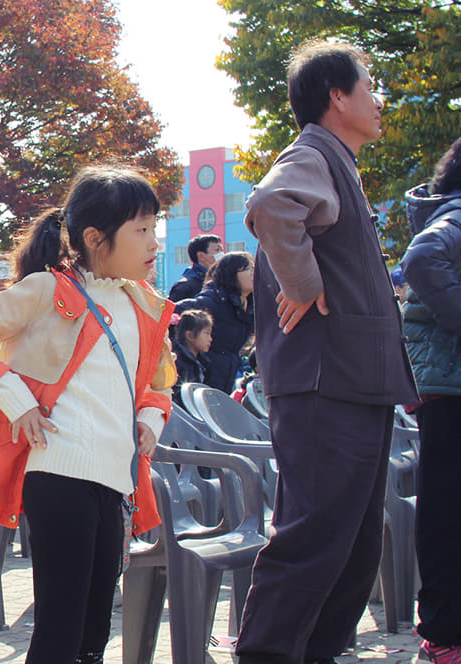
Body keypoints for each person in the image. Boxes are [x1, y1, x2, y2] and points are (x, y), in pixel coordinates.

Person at [0, 166, 173, 664]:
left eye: (156, 226)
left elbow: (157, 384)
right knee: (60, 631)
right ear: (95, 238)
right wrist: (13, 395)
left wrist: (151, 420)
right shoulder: (48, 290)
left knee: (93, 633)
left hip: (114, 480)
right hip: (57, 473)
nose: (155, 242)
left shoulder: (144, 304)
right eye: (142, 229)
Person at [236, 40, 418, 664]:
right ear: (336, 95)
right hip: (325, 384)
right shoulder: (313, 153)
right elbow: (270, 205)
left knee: (355, 544)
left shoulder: (338, 160)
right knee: (316, 538)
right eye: (369, 86)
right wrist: (303, 284)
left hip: (351, 382)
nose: (379, 99)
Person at [399, 136, 461, 664]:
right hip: (448, 389)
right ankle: (443, 635)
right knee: (445, 510)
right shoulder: (458, 215)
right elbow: (422, 259)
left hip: (446, 385)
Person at [174, 251, 255, 393]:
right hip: (202, 380)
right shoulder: (214, 301)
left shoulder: (249, 305)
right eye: (248, 269)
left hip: (226, 378)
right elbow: (174, 312)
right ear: (232, 274)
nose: (254, 273)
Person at [171, 309, 213, 404]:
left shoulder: (201, 362)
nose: (210, 339)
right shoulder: (178, 362)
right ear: (190, 335)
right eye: (207, 333)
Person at [169, 233, 223, 301]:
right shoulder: (184, 287)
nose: (222, 254)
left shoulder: (221, 281)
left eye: (222, 250)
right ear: (201, 256)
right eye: (217, 250)